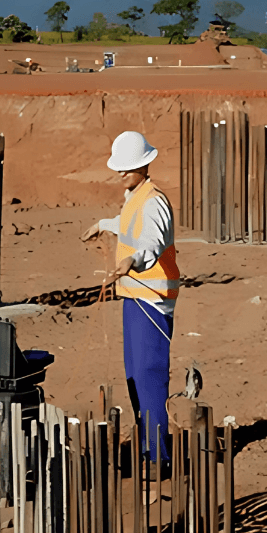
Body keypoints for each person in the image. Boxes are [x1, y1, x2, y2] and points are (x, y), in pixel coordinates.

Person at [82, 131, 179, 464]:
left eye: (128, 167)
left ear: (145, 164)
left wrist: (131, 261)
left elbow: (151, 241)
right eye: (119, 168)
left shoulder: (155, 201)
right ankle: (147, 446)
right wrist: (104, 224)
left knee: (149, 377)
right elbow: (129, 224)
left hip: (152, 301)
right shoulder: (135, 196)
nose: (121, 173)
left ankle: (159, 457)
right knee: (135, 377)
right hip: (134, 298)